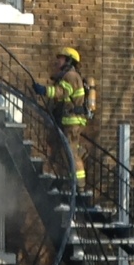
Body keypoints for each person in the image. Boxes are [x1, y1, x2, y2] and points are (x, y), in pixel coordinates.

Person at [34, 48, 90, 185]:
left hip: (72, 122)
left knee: (70, 153)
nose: (57, 61)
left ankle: (79, 186)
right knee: (61, 151)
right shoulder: (65, 76)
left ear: (69, 61)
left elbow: (61, 92)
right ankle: (62, 180)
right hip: (66, 122)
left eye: (61, 58)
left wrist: (43, 90)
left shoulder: (71, 76)